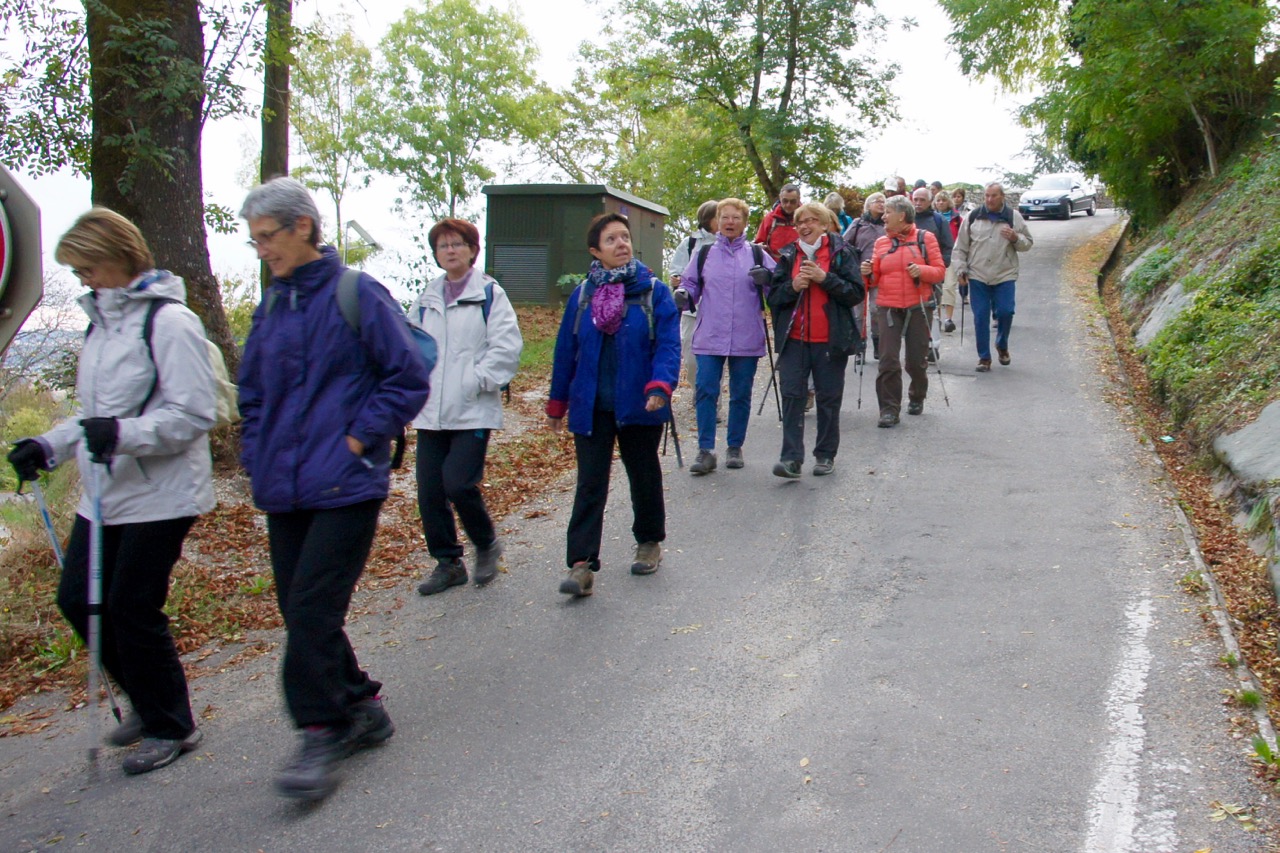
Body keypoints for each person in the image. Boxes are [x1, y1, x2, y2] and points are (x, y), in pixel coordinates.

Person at [237, 177, 431, 801]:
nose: (261, 248)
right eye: (254, 240)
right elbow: (254, 393)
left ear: (302, 227)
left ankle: (320, 729)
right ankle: (361, 706)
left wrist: (359, 438)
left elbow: (407, 377)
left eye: (268, 236)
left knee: (314, 609)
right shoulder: (272, 304)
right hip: (284, 485)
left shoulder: (357, 294)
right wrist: (255, 453)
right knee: (299, 608)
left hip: (346, 483)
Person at [7, 208, 215, 775]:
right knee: (78, 600)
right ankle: (148, 704)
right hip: (105, 493)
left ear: (121, 258)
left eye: (89, 266)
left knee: (130, 605)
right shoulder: (101, 324)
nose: (83, 279)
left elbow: (196, 414)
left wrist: (123, 435)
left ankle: (172, 723)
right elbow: (92, 415)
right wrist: (47, 446)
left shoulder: (170, 323)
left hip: (164, 493)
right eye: (78, 270)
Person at [547, 213, 680, 597]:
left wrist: (660, 386)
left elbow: (668, 344)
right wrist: (558, 403)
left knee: (643, 473)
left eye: (625, 237)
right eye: (611, 240)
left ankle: (650, 542)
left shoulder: (653, 292)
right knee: (590, 483)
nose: (622, 244)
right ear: (595, 251)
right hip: (591, 404)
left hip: (641, 402)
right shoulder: (583, 295)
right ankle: (581, 564)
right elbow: (565, 351)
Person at [411, 218, 523, 597]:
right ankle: (448, 563)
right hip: (431, 411)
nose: (450, 251)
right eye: (443, 246)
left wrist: (477, 381)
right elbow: (410, 348)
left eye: (457, 244)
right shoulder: (426, 297)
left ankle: (486, 542)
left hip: (472, 408)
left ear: (473, 250)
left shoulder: (489, 294)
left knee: (458, 483)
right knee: (429, 491)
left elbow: (506, 346)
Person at [673, 197, 776, 474]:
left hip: (746, 334)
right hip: (710, 333)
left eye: (736, 218)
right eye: (725, 217)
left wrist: (767, 280)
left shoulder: (756, 254)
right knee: (706, 390)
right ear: (717, 221)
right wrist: (683, 295)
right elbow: (690, 283)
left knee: (740, 394)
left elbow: (777, 289)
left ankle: (734, 447)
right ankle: (705, 450)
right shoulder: (704, 252)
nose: (730, 223)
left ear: (745, 222)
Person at [766, 203, 864, 478]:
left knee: (828, 399)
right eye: (800, 222)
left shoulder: (841, 252)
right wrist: (792, 286)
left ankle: (825, 455)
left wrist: (825, 278)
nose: (805, 226)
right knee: (792, 396)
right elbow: (773, 298)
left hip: (830, 341)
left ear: (824, 225)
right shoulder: (787, 255)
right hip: (794, 340)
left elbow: (856, 293)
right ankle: (791, 459)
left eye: (811, 220)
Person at [861, 195, 946, 427]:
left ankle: (917, 395)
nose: (884, 216)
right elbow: (874, 278)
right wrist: (868, 271)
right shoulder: (881, 243)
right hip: (888, 307)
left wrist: (922, 271)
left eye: (888, 212)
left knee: (915, 362)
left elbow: (939, 271)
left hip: (918, 306)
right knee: (888, 360)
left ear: (902, 215)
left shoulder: (924, 238)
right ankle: (889, 410)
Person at [951, 182, 1034, 371]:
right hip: (978, 275)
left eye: (994, 196)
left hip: (1004, 274)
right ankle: (984, 358)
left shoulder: (1013, 217)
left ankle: (1002, 344)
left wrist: (1015, 238)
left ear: (1002, 196)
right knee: (980, 316)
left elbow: (1028, 243)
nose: (989, 199)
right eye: (987, 196)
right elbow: (960, 248)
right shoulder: (973, 217)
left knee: (1006, 312)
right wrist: (960, 270)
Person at [669, 201, 719, 391]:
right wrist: (677, 280)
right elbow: (676, 272)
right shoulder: (689, 244)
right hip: (692, 311)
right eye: (718, 216)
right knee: (690, 359)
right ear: (707, 219)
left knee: (715, 359)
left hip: (717, 310)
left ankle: (711, 403)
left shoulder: (727, 242)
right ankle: (699, 391)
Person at [843, 192, 887, 359]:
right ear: (868, 205)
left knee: (877, 309)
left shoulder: (887, 224)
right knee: (858, 311)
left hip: (880, 274)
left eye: (883, 201)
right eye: (877, 201)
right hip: (860, 273)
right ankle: (860, 345)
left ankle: (877, 343)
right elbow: (844, 244)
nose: (880, 204)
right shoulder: (858, 223)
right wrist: (855, 260)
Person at [934, 191, 964, 333]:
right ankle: (938, 318)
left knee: (949, 287)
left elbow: (963, 238)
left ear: (948, 202)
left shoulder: (957, 219)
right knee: (936, 289)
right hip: (935, 256)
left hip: (952, 255)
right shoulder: (932, 218)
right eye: (938, 200)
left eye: (943, 200)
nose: (940, 203)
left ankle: (948, 319)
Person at [754, 183, 802, 261]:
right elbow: (758, 243)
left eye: (792, 202)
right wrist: (760, 247)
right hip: (774, 266)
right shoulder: (770, 218)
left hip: (799, 266)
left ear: (799, 199)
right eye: (785, 201)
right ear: (780, 198)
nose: (788, 205)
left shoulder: (805, 218)